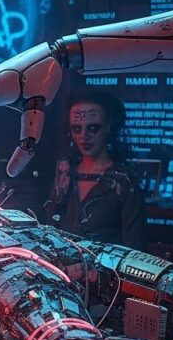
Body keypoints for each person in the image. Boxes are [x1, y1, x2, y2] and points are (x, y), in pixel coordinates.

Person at [46, 92, 146, 249]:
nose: (83, 136)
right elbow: (49, 229)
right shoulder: (65, 173)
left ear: (109, 126)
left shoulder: (124, 181)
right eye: (76, 129)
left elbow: (134, 245)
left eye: (93, 128)